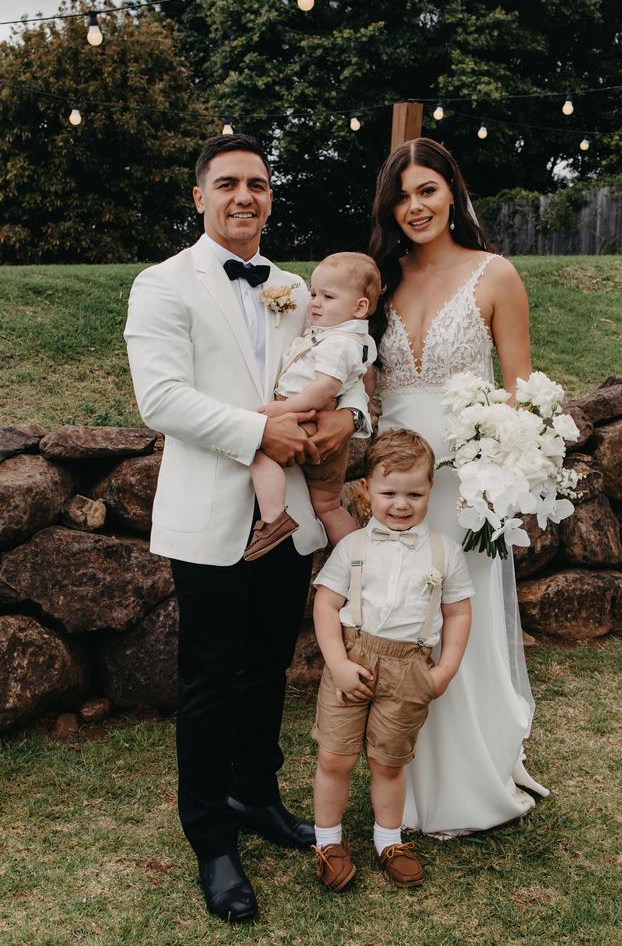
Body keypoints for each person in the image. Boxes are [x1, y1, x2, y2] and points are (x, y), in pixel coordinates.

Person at [124, 133, 370, 923]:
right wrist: (259, 432)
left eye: (257, 184)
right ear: (199, 196)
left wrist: (349, 418)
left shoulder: (298, 287)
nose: (244, 196)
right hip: (210, 514)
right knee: (210, 679)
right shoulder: (162, 286)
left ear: (270, 195)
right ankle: (212, 838)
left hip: (288, 513)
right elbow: (160, 400)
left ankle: (257, 795)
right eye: (227, 183)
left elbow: (342, 362)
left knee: (269, 667)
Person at [367, 137, 549, 837]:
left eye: (427, 192)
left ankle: (471, 776)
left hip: (469, 486)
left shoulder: (495, 275)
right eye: (402, 196)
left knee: (457, 616)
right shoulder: (383, 280)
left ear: (453, 194)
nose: (415, 207)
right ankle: (401, 780)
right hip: (398, 482)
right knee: (402, 619)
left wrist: (506, 477)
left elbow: (523, 392)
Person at [310, 429, 473, 890]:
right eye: (389, 493)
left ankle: (389, 840)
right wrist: (338, 663)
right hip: (353, 657)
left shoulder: (444, 551)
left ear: (430, 491)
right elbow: (325, 604)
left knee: (388, 762)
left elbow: (458, 610)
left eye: (414, 494)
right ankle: (328, 841)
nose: (401, 504)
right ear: (365, 490)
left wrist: (445, 670)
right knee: (335, 756)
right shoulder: (353, 547)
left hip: (410, 668)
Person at [244, 252, 380, 560]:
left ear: (359, 307)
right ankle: (362, 559)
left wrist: (283, 409)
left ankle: (274, 518)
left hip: (305, 417)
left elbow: (323, 389)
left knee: (256, 448)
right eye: (314, 293)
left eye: (327, 296)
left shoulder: (338, 342)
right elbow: (366, 380)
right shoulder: (345, 337)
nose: (314, 302)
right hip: (322, 429)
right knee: (328, 507)